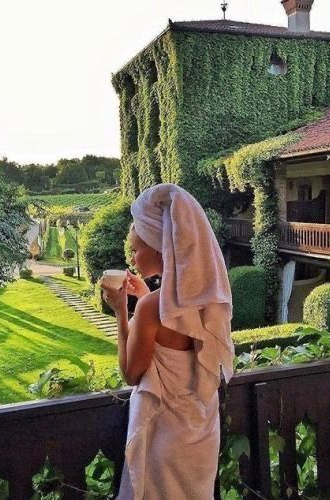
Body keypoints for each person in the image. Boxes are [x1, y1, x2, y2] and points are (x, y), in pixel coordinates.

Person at [101, 183, 233, 500]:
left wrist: (121, 311)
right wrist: (145, 297)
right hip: (201, 433)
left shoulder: (150, 309)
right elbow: (176, 331)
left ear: (160, 249)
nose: (131, 257)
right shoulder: (202, 300)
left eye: (135, 249)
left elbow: (131, 374)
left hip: (166, 440)